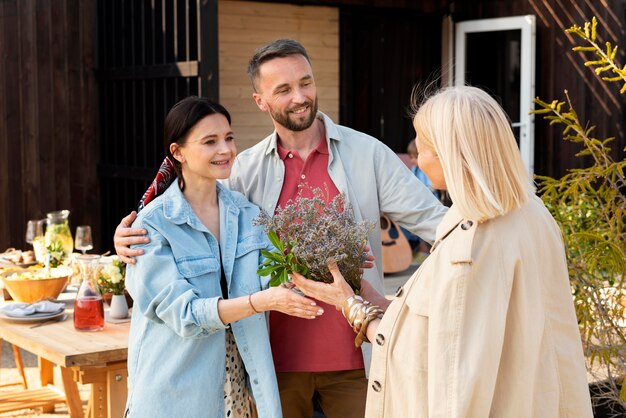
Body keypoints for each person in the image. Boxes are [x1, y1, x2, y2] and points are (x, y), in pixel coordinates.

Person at [114, 39, 447, 418]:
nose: (300, 97)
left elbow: (442, 227)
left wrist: (409, 305)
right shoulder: (243, 171)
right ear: (261, 101)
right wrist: (126, 238)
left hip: (359, 360)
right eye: (284, 89)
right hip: (274, 368)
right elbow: (194, 216)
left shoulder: (367, 154)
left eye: (306, 82)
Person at [290, 86, 594, 417]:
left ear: (450, 153)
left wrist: (350, 306)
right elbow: (447, 319)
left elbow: (443, 366)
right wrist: (366, 294)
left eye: (423, 143)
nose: (417, 154)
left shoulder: (474, 239)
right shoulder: (530, 212)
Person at [123, 96, 323, 418]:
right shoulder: (152, 225)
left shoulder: (247, 214)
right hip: (175, 395)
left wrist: (334, 261)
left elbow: (281, 278)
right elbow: (184, 314)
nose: (225, 149)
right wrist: (261, 302)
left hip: (236, 391)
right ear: (178, 152)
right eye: (210, 141)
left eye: (229, 138)